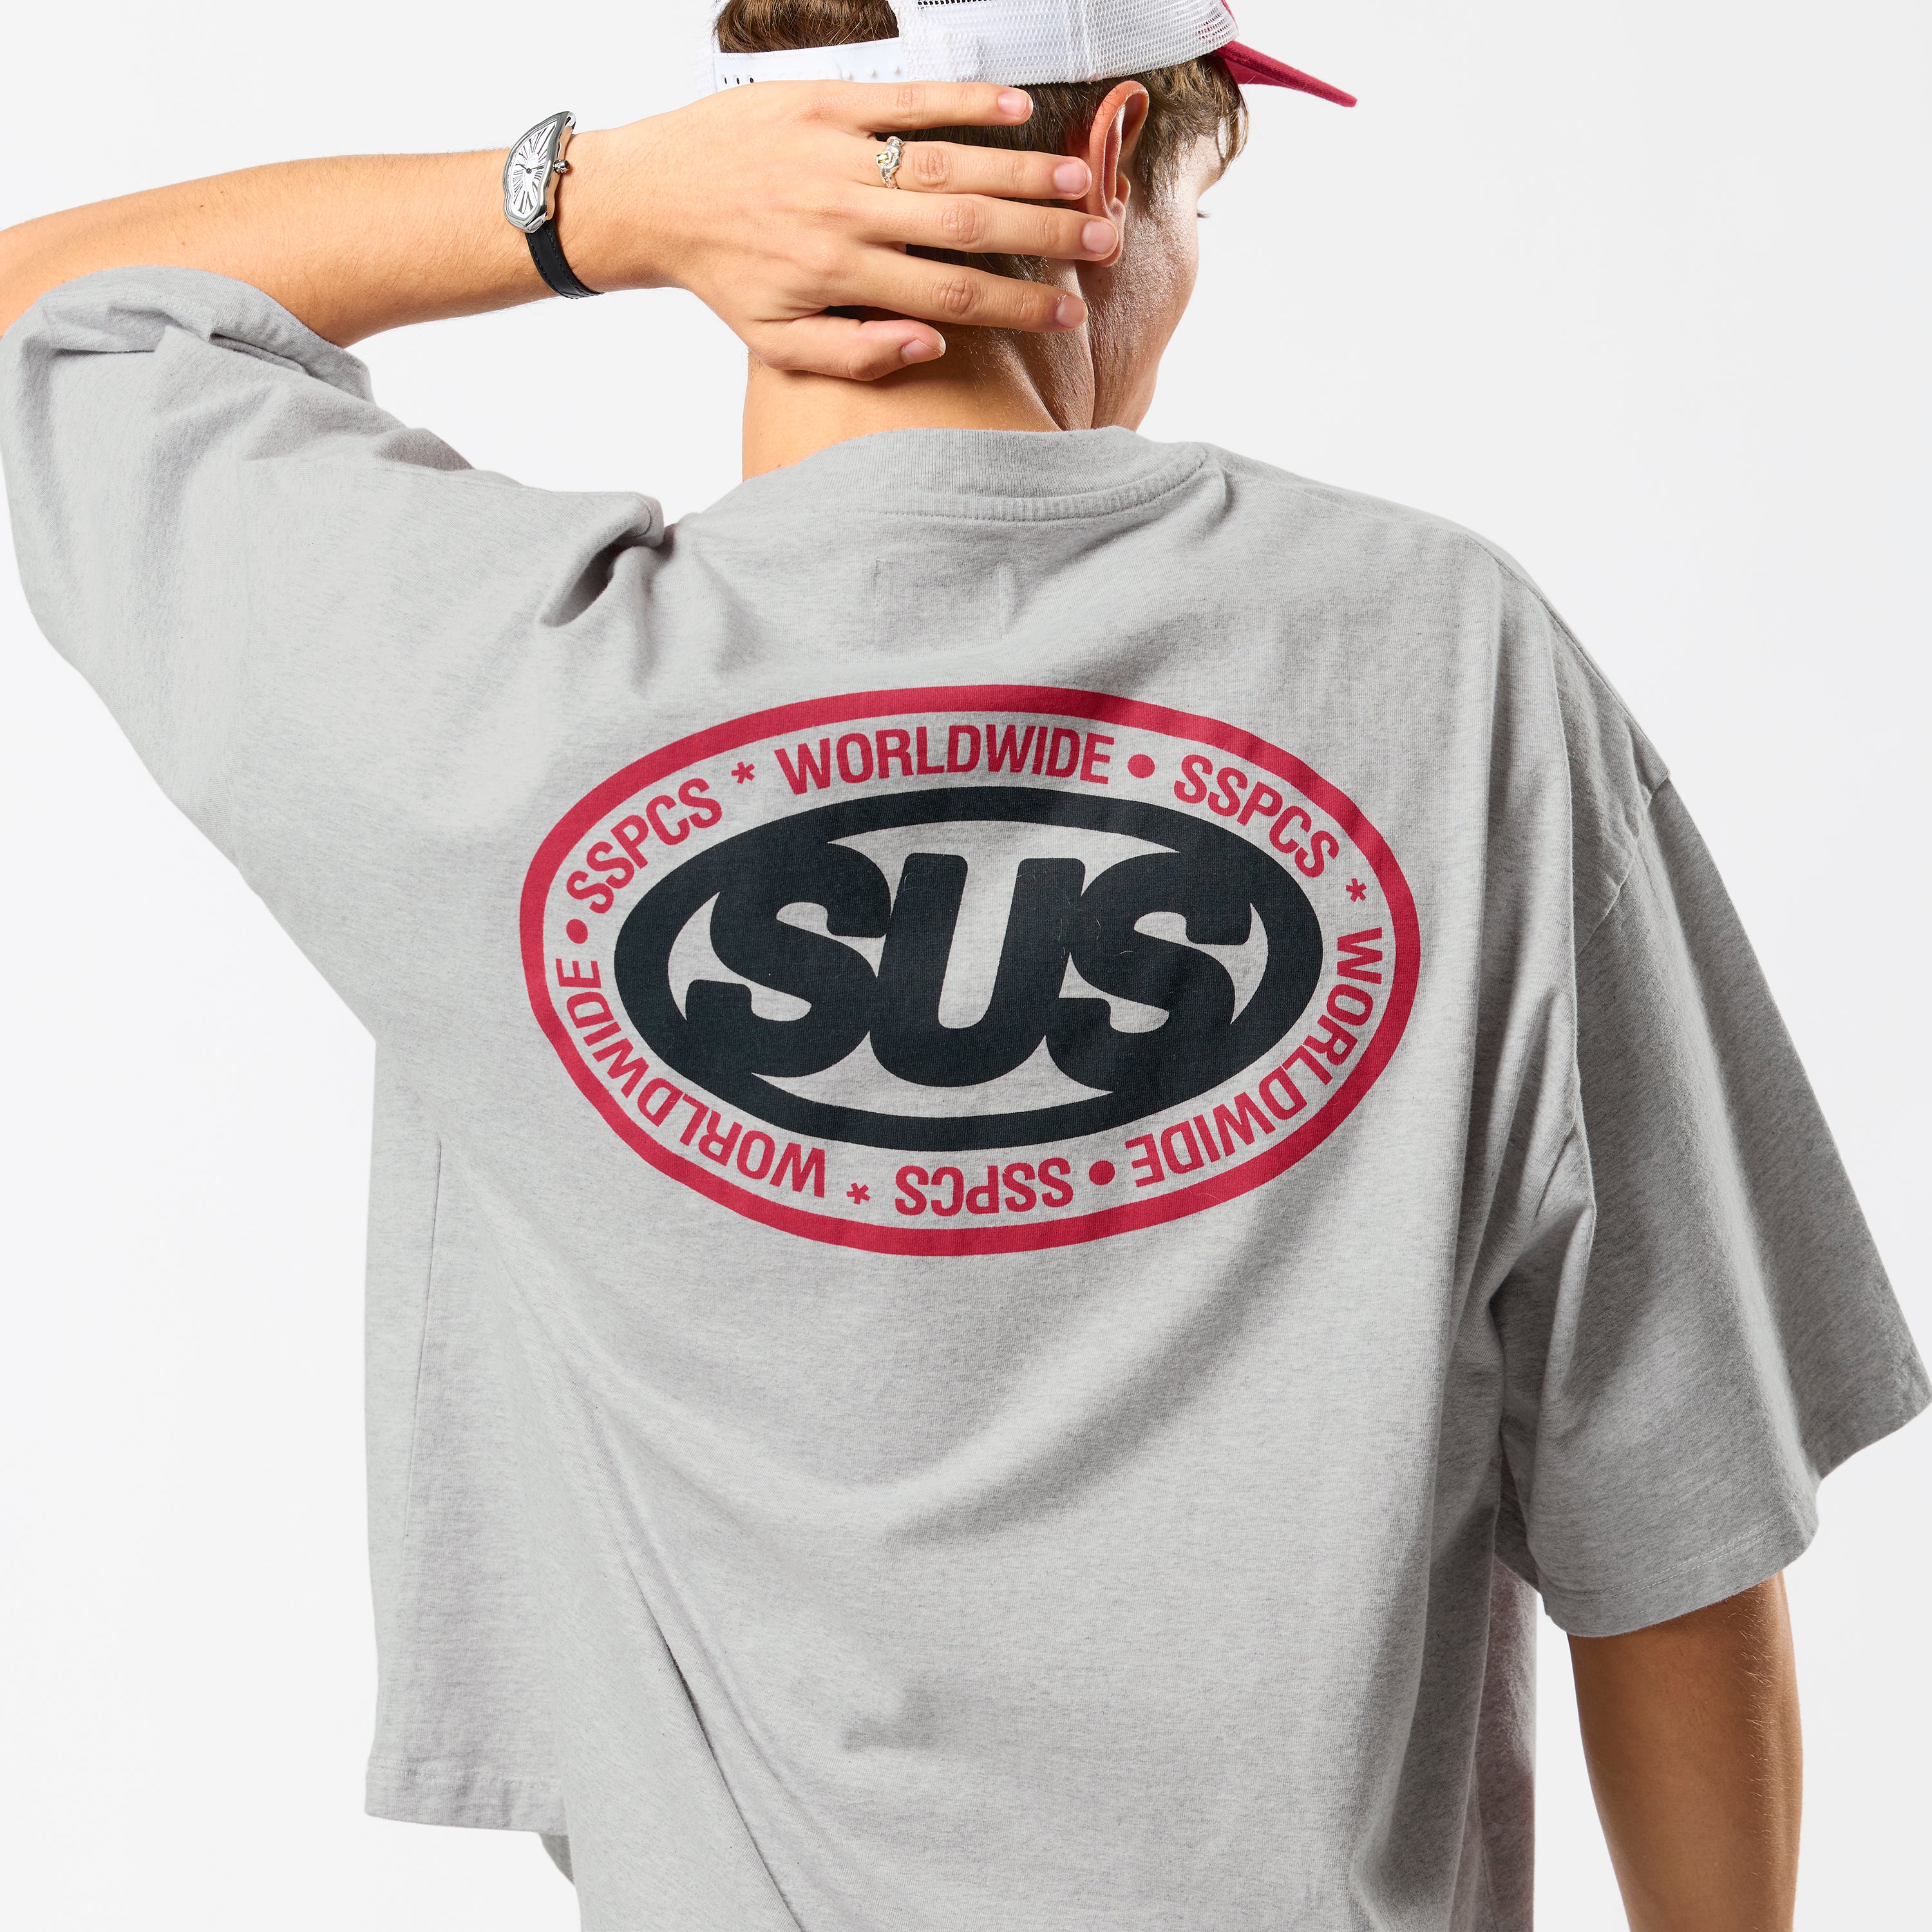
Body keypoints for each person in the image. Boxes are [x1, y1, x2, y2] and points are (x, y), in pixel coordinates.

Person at [1, 2, 1923, 1927]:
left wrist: (595, 202)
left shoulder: (469, 690)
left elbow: (46, 315)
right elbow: (1673, 1511)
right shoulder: (1440, 664)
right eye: (1200, 204)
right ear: (1110, 169)